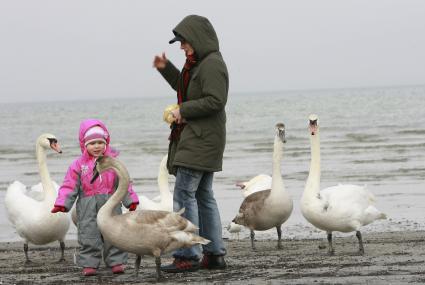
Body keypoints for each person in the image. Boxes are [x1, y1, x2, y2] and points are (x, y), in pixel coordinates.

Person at [153, 15, 228, 272]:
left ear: (196, 39)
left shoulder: (212, 64)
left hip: (201, 140)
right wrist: (165, 67)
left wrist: (181, 110)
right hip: (201, 139)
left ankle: (187, 254)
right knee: (203, 195)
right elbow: (185, 88)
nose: (182, 47)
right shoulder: (196, 65)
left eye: (184, 43)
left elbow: (216, 100)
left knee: (184, 195)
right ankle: (214, 254)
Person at [51, 119, 139, 276]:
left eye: (100, 142)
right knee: (88, 234)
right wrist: (62, 203)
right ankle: (89, 263)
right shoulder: (78, 165)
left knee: (115, 233)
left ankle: (116, 262)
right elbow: (69, 185)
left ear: (106, 143)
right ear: (84, 145)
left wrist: (130, 200)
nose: (97, 146)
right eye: (92, 143)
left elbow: (124, 183)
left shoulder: (113, 163)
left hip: (111, 203)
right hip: (87, 205)